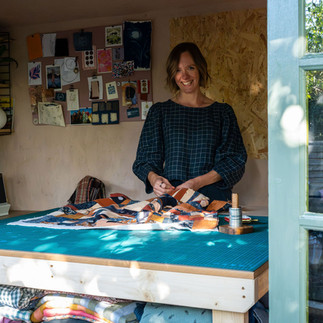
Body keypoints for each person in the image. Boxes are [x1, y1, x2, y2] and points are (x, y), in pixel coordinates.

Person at [132, 42, 247, 202]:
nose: (184, 76)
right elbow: (144, 161)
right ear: (172, 75)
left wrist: (196, 183)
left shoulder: (222, 112)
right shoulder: (160, 112)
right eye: (178, 70)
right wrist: (155, 180)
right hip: (173, 197)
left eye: (190, 68)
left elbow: (234, 160)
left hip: (214, 198)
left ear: (200, 69)